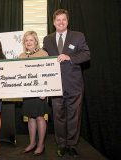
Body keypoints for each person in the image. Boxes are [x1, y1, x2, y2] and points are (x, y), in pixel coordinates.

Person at [43, 9, 90, 157]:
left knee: (74, 117)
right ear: (53, 22)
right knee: (58, 117)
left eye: (64, 20)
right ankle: (61, 144)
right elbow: (43, 61)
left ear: (67, 21)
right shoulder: (47, 39)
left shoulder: (78, 36)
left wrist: (69, 57)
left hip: (74, 85)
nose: (61, 22)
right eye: (58, 20)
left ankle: (72, 145)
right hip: (55, 86)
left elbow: (86, 54)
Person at [19, 31, 50, 156]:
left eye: (31, 40)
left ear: (36, 41)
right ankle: (32, 143)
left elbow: (48, 72)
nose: (29, 42)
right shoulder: (21, 56)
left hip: (40, 92)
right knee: (30, 117)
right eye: (26, 40)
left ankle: (41, 144)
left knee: (39, 117)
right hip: (27, 92)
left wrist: (45, 90)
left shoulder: (43, 53)